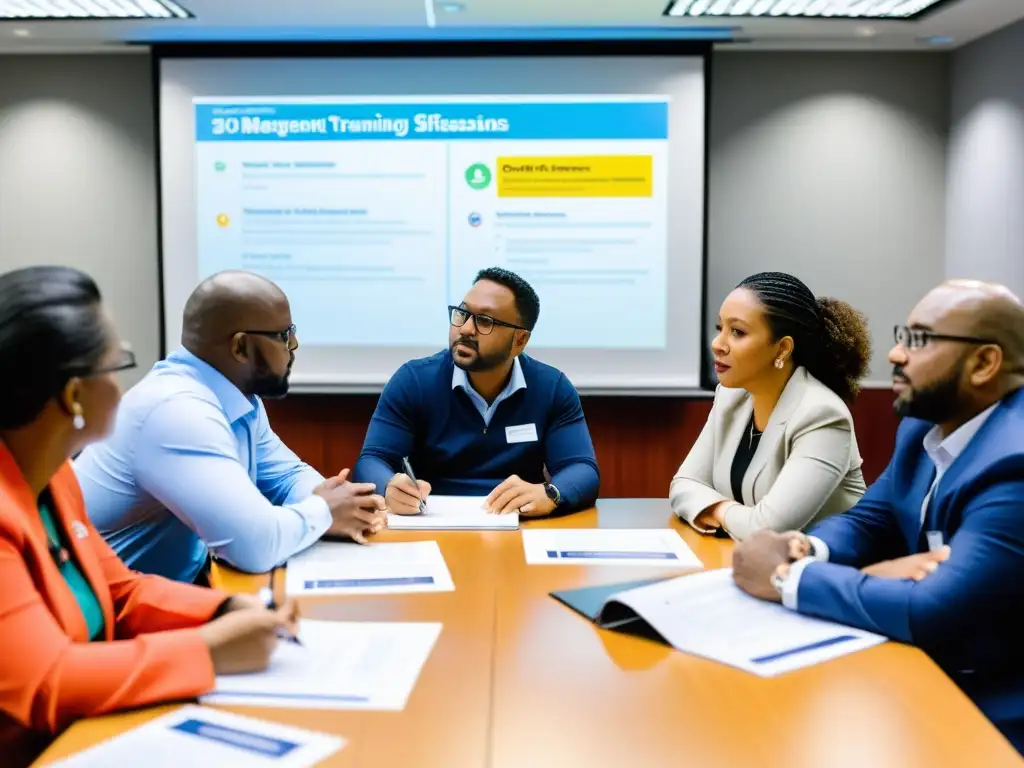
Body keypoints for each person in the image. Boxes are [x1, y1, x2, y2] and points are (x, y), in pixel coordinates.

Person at [0, 266, 299, 766]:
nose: (128, 384)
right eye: (117, 365)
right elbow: (46, 683)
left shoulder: (54, 479)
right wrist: (208, 651)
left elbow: (121, 592)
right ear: (73, 396)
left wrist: (223, 611)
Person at [731, 279, 1024, 752]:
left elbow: (934, 610)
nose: (895, 354)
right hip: (921, 672)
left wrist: (787, 578)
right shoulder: (923, 427)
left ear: (984, 363)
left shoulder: (1015, 463)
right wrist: (805, 547)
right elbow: (874, 520)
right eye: (901, 335)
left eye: (919, 340)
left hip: (991, 715)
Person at [74, 271, 385, 584]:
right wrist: (325, 511)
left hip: (167, 590)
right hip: (107, 616)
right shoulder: (177, 411)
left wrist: (337, 500)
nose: (294, 345)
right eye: (284, 335)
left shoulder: (238, 397)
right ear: (240, 348)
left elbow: (286, 476)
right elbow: (255, 545)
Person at [353, 267, 599, 517]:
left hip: (518, 524)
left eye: (485, 321)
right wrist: (389, 487)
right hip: (430, 523)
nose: (466, 329)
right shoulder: (414, 381)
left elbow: (582, 468)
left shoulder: (551, 387)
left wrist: (551, 493)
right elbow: (372, 460)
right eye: (462, 313)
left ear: (520, 341)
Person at [670, 272, 872, 540]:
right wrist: (733, 513)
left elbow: (766, 529)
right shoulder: (731, 399)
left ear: (782, 349)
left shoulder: (822, 414)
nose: (717, 345)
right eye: (721, 329)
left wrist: (715, 509)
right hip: (756, 562)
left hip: (827, 569)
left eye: (738, 332)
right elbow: (684, 484)